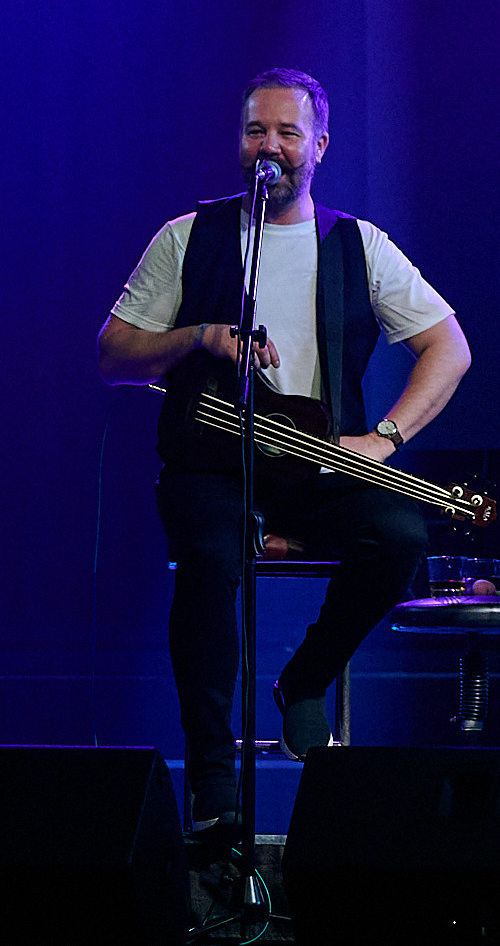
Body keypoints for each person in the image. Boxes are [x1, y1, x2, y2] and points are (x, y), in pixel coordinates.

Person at [98, 69, 471, 834]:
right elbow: (114, 354)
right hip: (210, 461)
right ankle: (213, 779)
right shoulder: (187, 237)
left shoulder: (358, 244)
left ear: (320, 146)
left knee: (400, 536)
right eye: (255, 132)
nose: (269, 147)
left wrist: (384, 438)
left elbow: (449, 346)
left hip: (318, 464)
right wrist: (198, 336)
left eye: (287, 132)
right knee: (209, 557)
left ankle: (303, 680)